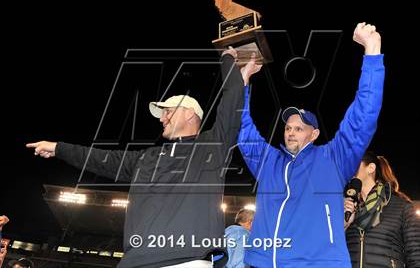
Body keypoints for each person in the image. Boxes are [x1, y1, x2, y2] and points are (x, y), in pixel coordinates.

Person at [26, 47, 249, 268]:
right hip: (134, 262)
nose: (163, 118)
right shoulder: (146, 157)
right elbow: (99, 158)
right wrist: (59, 148)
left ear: (189, 113)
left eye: (168, 111)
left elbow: (232, 103)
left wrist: (228, 59)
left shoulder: (212, 146)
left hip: (187, 262)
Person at [238, 23, 385, 267]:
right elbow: (242, 129)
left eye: (299, 128)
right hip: (261, 262)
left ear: (314, 133)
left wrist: (372, 51)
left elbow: (362, 118)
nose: (291, 132)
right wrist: (242, 82)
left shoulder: (333, 158)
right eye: (288, 128)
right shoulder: (269, 161)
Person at [344, 151, 420, 267]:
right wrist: (344, 225)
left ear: (371, 168)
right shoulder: (346, 207)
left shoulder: (402, 207)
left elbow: (415, 255)